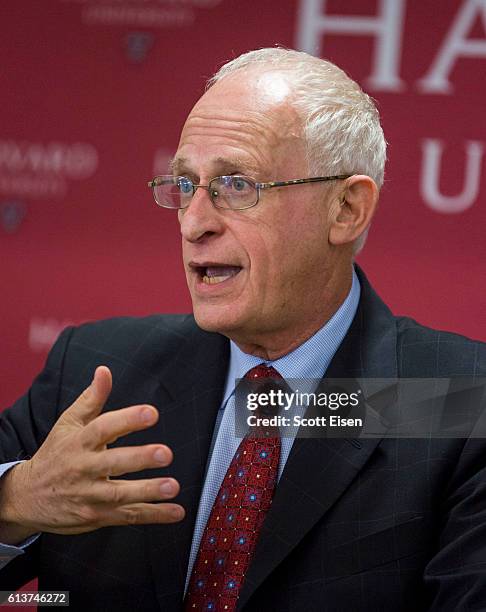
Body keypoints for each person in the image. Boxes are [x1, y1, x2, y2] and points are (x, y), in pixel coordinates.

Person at [0, 47, 485, 612]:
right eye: (185, 185)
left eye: (237, 185)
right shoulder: (96, 370)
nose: (195, 222)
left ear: (346, 209)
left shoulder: (458, 401)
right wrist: (16, 500)